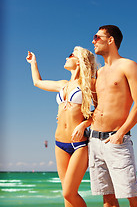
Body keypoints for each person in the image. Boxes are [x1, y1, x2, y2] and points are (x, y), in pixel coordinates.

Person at [26, 46, 98, 207]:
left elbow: (101, 109)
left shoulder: (90, 83)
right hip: (59, 143)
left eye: (70, 55)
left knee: (69, 192)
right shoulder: (63, 85)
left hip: (79, 144)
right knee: (66, 196)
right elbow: (37, 82)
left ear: (79, 61)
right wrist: (33, 63)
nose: (66, 58)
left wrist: (85, 123)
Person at [89, 25, 137, 207]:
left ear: (110, 39)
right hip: (95, 141)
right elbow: (96, 108)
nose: (93, 41)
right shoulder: (98, 73)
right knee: (107, 198)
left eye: (97, 37)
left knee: (131, 195)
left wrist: (120, 133)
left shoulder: (128, 65)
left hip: (116, 141)